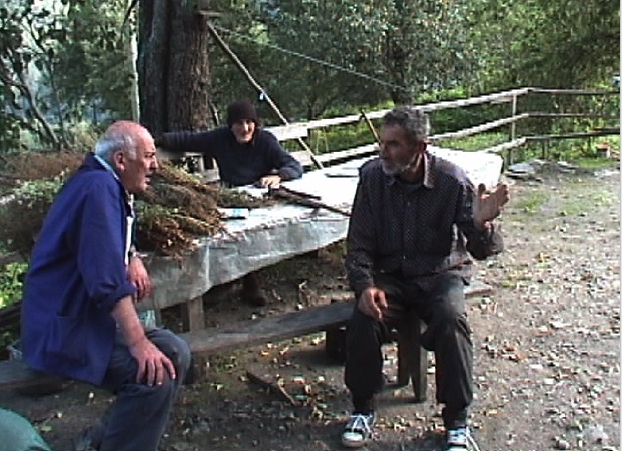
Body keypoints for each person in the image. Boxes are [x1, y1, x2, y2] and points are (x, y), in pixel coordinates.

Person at [340, 106, 509, 450]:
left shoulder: (451, 181)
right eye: (382, 143)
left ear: (420, 147)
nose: (383, 151)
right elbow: (358, 243)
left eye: (393, 145)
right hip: (391, 275)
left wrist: (482, 226)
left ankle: (457, 423)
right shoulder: (372, 178)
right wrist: (364, 285)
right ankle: (362, 408)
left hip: (440, 273)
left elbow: (482, 251)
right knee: (362, 317)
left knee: (452, 320)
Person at [20, 121, 192, 451]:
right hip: (64, 329)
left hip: (84, 318)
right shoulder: (98, 189)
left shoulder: (103, 183)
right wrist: (139, 342)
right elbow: (107, 284)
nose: (155, 165)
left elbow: (108, 240)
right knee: (154, 376)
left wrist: (131, 255)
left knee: (177, 352)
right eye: (149, 156)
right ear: (121, 160)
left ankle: (102, 439)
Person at [156, 99, 304, 307]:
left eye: (249, 122)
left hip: (263, 200)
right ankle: (229, 282)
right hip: (233, 198)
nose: (245, 128)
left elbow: (294, 166)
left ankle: (249, 284)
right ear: (230, 126)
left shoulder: (265, 141)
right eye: (239, 123)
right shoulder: (220, 139)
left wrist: (279, 176)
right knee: (226, 230)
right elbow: (189, 139)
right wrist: (155, 141)